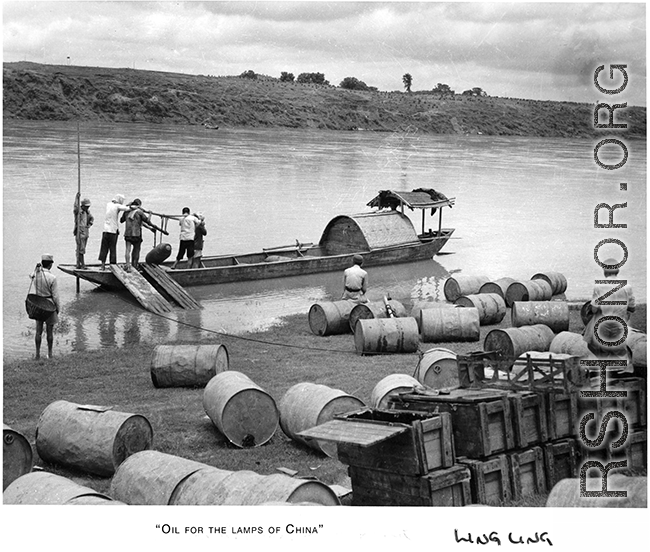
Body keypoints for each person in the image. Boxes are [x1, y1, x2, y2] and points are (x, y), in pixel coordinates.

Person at [583, 258, 636, 375]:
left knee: (600, 347)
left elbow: (594, 308)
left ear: (604, 271)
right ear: (617, 271)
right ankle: (622, 370)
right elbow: (632, 308)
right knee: (619, 349)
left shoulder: (599, 286)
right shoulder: (627, 286)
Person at [31, 254, 60, 360]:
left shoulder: (36, 275)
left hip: (38, 304)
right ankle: (50, 354)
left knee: (38, 331)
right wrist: (58, 308)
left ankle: (37, 354)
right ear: (50, 265)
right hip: (49, 304)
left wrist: (37, 268)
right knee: (50, 331)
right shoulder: (52, 278)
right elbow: (55, 296)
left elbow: (31, 275)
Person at [98, 194, 133, 271]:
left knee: (104, 248)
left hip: (105, 230)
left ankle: (102, 265)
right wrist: (134, 206)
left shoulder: (108, 204)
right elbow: (127, 208)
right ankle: (112, 265)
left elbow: (121, 207)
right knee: (112, 248)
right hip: (113, 231)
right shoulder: (117, 206)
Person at [120, 198, 153, 271]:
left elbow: (121, 220)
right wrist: (150, 214)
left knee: (127, 250)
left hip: (128, 234)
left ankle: (128, 265)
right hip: (137, 235)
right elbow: (147, 221)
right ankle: (135, 265)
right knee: (136, 250)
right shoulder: (139, 212)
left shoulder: (126, 212)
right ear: (139, 205)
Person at [73, 193, 94, 269]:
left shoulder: (87, 213)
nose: (88, 208)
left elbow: (92, 218)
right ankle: (81, 264)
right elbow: (75, 207)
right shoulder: (79, 212)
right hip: (79, 232)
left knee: (82, 249)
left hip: (85, 232)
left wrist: (89, 224)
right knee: (80, 249)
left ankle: (80, 264)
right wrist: (77, 198)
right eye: (86, 206)